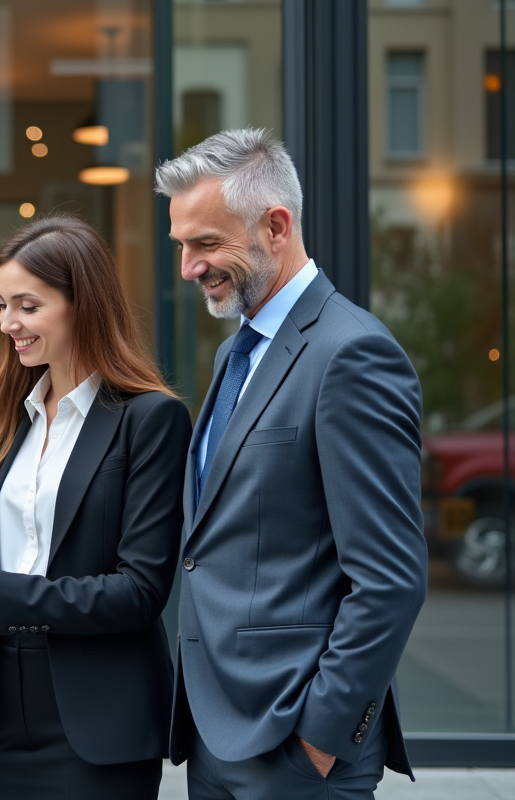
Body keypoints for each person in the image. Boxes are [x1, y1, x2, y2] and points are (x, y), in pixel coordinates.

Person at [154, 129, 427, 799]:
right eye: (181, 245)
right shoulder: (234, 352)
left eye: (205, 243)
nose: (188, 267)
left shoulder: (353, 354)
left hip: (295, 749)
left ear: (276, 227)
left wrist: (321, 740)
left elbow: (390, 579)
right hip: (215, 733)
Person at [0, 217, 191, 799]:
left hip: (100, 716)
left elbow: (140, 592)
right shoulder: (11, 422)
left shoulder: (150, 420)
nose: (7, 323)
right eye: (3, 305)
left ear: (82, 304)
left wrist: (0, 594)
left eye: (28, 306)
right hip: (4, 710)